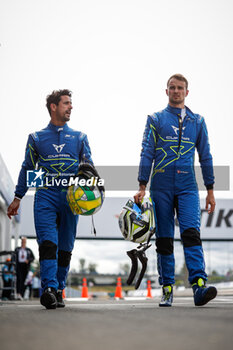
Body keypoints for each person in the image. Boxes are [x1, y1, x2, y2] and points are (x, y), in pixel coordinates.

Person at [134, 74, 217, 307]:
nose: (176, 91)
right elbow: (146, 152)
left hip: (188, 186)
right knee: (164, 239)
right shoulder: (155, 119)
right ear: (166, 91)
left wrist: (210, 190)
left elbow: (206, 156)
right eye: (172, 87)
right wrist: (142, 185)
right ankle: (167, 288)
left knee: (191, 234)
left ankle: (199, 286)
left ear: (187, 92)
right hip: (160, 186)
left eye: (180, 88)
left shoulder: (198, 121)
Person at [7, 89, 93, 309]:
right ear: (53, 106)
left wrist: (93, 193)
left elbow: (89, 170)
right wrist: (18, 197)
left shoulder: (80, 137)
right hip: (45, 196)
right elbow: (28, 168)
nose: (71, 107)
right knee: (48, 245)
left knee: (65, 248)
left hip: (71, 199)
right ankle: (48, 289)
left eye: (71, 103)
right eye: (66, 103)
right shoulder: (36, 138)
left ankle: (59, 288)